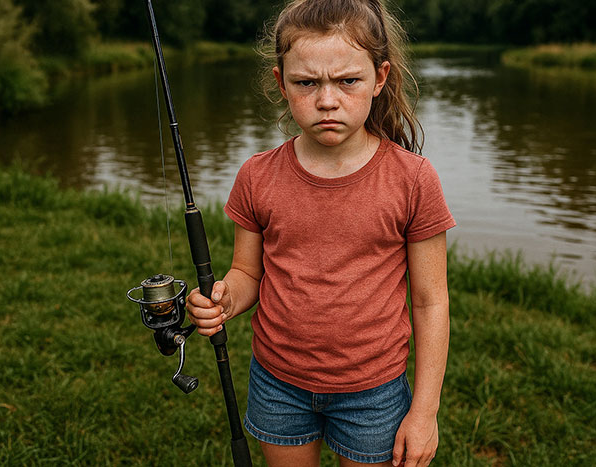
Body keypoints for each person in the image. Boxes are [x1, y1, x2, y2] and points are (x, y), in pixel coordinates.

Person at [186, 1, 455, 465]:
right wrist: (225, 298)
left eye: (347, 81)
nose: (327, 100)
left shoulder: (413, 179)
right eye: (306, 83)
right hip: (278, 382)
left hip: (374, 392)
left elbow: (431, 302)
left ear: (380, 77)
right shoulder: (256, 175)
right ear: (280, 83)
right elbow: (248, 273)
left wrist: (425, 411)